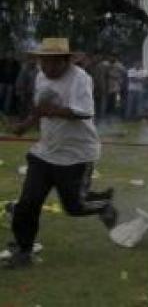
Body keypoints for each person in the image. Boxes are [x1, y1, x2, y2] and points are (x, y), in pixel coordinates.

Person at [3, 38, 119, 269]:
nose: (46, 69)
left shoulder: (80, 79)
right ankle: (24, 250)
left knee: (74, 207)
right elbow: (40, 108)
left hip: (76, 155)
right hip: (45, 152)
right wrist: (25, 125)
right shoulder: (40, 75)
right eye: (43, 63)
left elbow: (84, 112)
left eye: (52, 64)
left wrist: (51, 111)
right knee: (28, 203)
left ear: (66, 61)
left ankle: (103, 206)